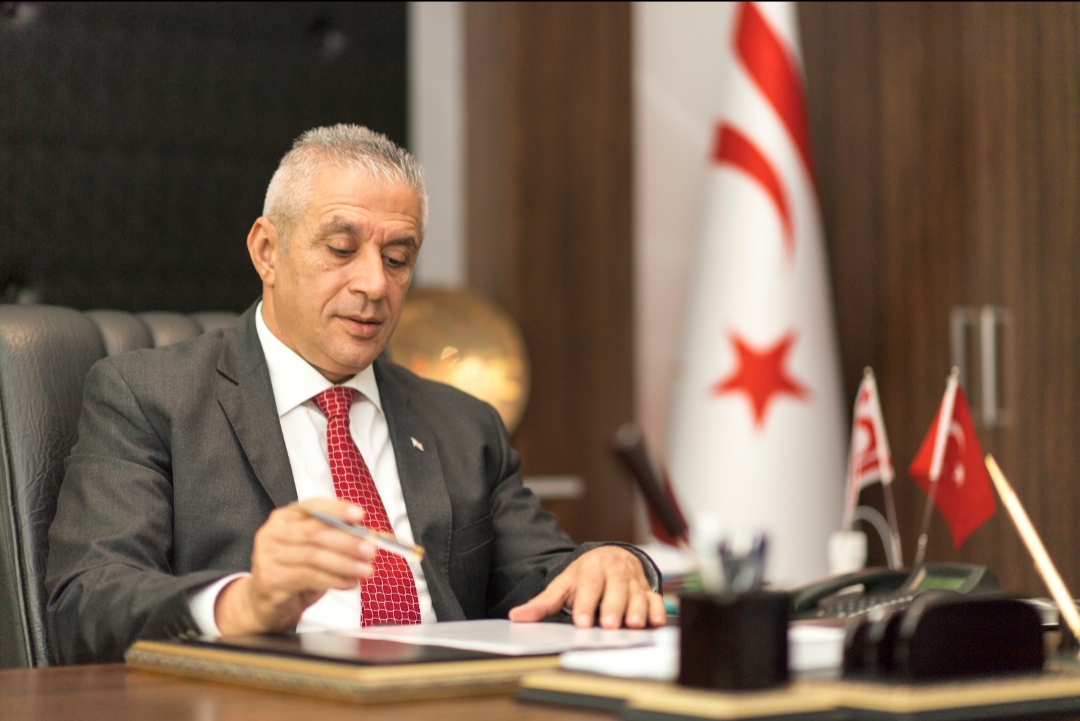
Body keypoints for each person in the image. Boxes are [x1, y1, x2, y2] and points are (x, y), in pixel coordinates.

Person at [46, 124, 665, 664]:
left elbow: (546, 575)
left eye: (397, 258)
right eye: (342, 250)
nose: (374, 283)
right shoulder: (149, 397)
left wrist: (615, 563)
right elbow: (86, 602)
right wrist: (243, 602)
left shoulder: (463, 424)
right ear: (267, 251)